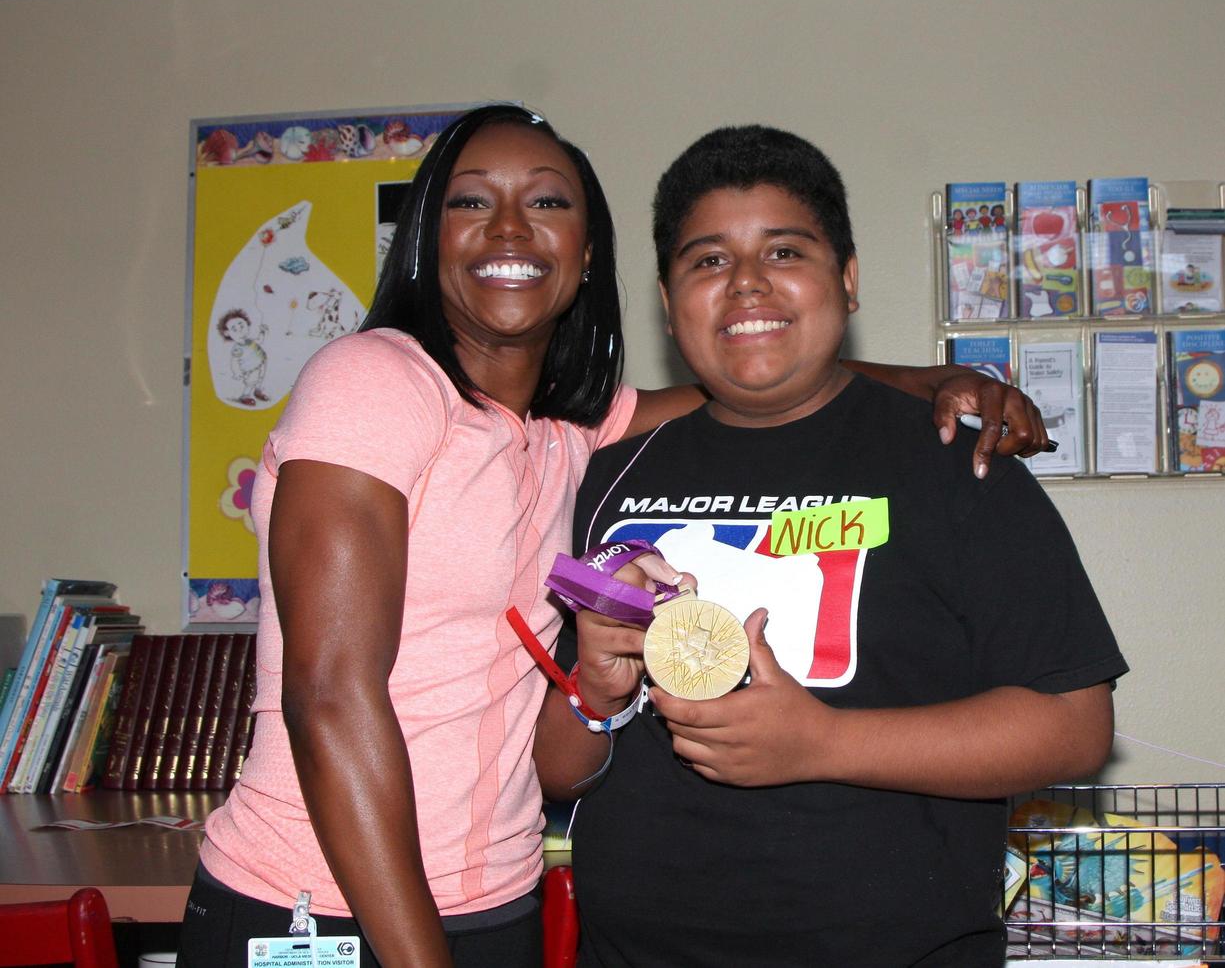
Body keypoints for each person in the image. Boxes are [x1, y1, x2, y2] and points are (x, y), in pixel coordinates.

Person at [177, 105, 1048, 967]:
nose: (510, 226)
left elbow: (752, 370)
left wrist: (936, 376)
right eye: (471, 202)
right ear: (424, 240)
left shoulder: (567, 434)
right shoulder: (375, 380)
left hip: (489, 900)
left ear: (587, 252)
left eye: (548, 203)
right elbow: (328, 696)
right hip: (326, 907)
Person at [542, 125, 1128, 966]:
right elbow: (561, 772)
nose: (745, 284)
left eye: (783, 251)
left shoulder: (958, 466)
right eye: (707, 261)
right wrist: (593, 692)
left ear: (845, 281)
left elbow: (1072, 728)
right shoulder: (610, 478)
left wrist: (822, 744)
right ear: (669, 304)